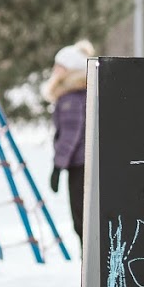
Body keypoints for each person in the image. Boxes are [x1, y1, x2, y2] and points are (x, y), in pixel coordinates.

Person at [42, 40, 94, 240]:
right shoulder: (78, 94)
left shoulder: (71, 98)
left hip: (79, 164)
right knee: (83, 218)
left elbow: (70, 136)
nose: (55, 69)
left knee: (81, 218)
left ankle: (88, 261)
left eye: (59, 66)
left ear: (70, 69)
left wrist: (57, 166)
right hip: (83, 163)